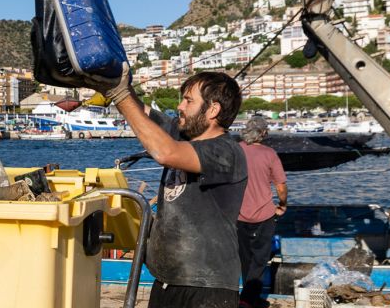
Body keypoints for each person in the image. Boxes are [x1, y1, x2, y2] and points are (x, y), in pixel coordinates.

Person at [87, 67, 247, 308]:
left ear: (213, 110)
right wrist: (113, 87)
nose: (180, 107)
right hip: (166, 281)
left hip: (207, 287)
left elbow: (165, 152)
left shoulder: (226, 151)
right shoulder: (183, 134)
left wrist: (119, 94)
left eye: (188, 100)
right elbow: (144, 114)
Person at [237, 116, 287, 308]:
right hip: (264, 215)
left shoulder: (236, 151)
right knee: (259, 260)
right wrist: (283, 204)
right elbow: (280, 187)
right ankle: (246, 300)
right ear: (264, 133)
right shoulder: (269, 153)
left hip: (238, 215)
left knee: (245, 259)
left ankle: (250, 297)